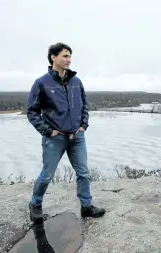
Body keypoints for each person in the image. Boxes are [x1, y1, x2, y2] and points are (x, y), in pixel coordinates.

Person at [26, 42, 105, 222]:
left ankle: (86, 206)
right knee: (47, 175)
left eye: (70, 56)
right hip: (55, 138)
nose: (69, 60)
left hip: (77, 136)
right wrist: (47, 130)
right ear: (53, 57)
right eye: (65, 56)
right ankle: (35, 204)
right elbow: (31, 111)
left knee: (83, 173)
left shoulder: (76, 82)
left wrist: (84, 124)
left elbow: (84, 104)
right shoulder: (41, 83)